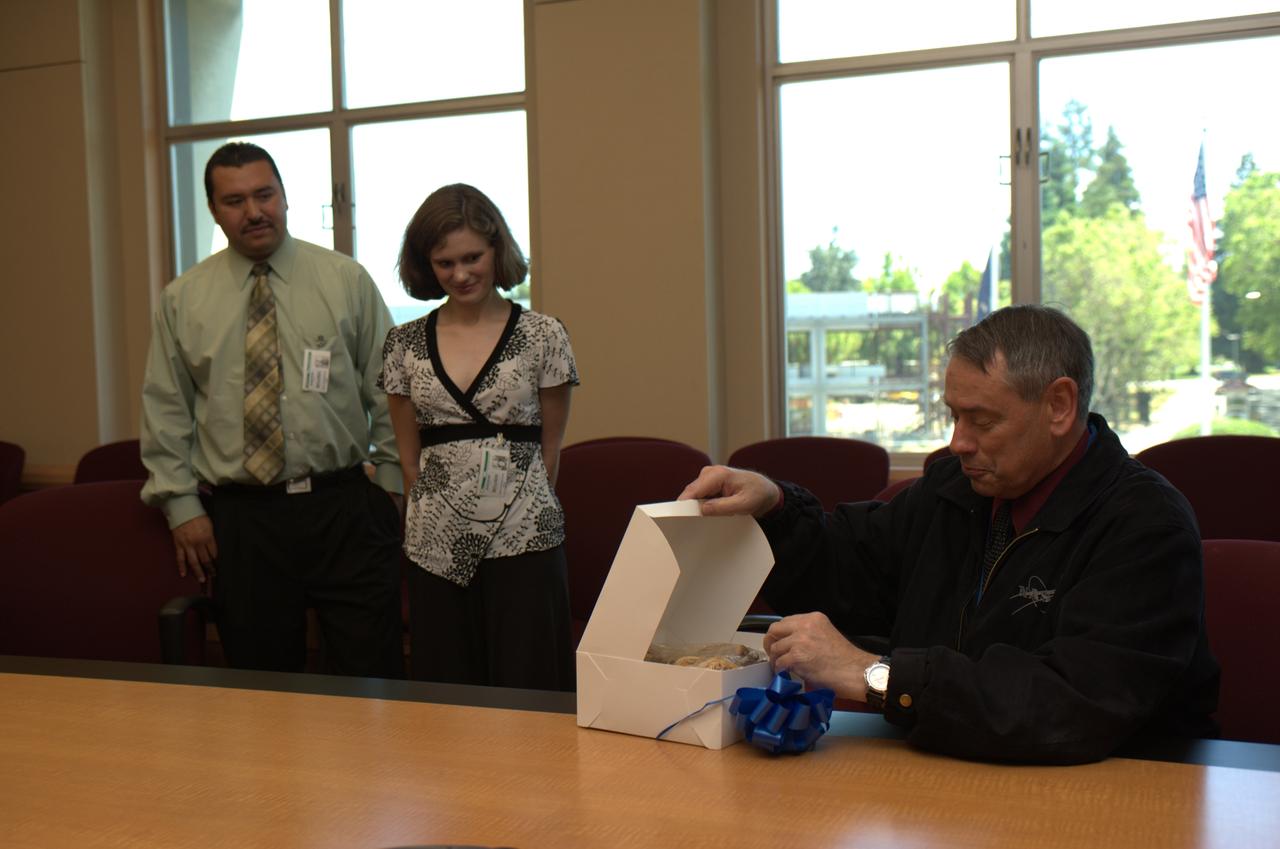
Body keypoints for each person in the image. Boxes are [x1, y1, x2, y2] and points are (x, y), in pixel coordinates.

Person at [680, 305, 1219, 764]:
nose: (958, 442)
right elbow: (847, 569)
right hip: (949, 770)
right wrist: (774, 504)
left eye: (982, 421)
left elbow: (1067, 704)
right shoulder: (956, 489)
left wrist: (875, 676)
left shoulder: (1146, 526)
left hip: (1113, 793)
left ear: (1059, 406)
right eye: (954, 416)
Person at [141, 142, 404, 677]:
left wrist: (393, 484)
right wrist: (182, 507)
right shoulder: (182, 299)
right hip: (244, 522)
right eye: (235, 200)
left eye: (265, 194)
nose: (254, 211)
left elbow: (390, 389)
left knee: (373, 678)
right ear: (215, 211)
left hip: (345, 509)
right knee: (263, 693)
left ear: (285, 197)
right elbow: (166, 408)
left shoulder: (345, 280)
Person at [379, 183, 577, 690]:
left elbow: (550, 450)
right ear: (426, 264)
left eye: (472, 257)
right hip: (435, 542)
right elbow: (408, 460)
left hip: (524, 534)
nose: (461, 274)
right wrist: (432, 527)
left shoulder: (544, 334)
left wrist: (518, 513)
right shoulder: (402, 343)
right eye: (445, 263)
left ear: (497, 250)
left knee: (529, 686)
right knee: (447, 694)